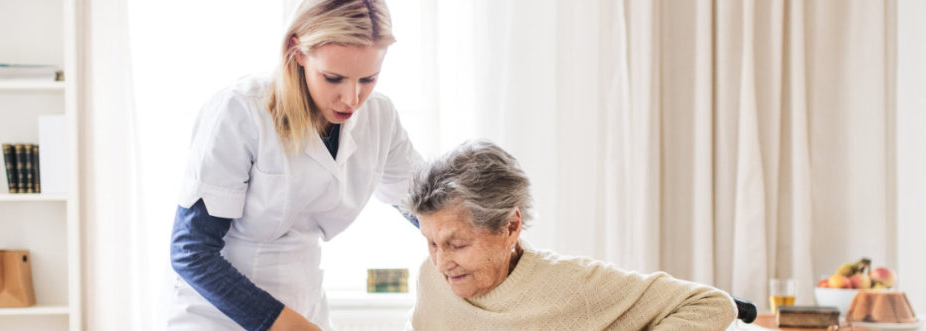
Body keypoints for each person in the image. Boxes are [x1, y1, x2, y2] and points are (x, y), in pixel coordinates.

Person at [168, 1, 422, 330]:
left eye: (368, 79)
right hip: (217, 312)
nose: (351, 98)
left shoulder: (380, 117)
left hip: (303, 300)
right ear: (297, 50)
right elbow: (192, 251)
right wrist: (288, 326)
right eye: (333, 78)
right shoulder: (240, 111)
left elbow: (427, 204)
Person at [406, 140, 738, 330]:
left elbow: (711, 304)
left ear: (510, 228)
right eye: (431, 243)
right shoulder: (431, 281)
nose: (441, 262)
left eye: (458, 244)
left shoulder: (573, 285)